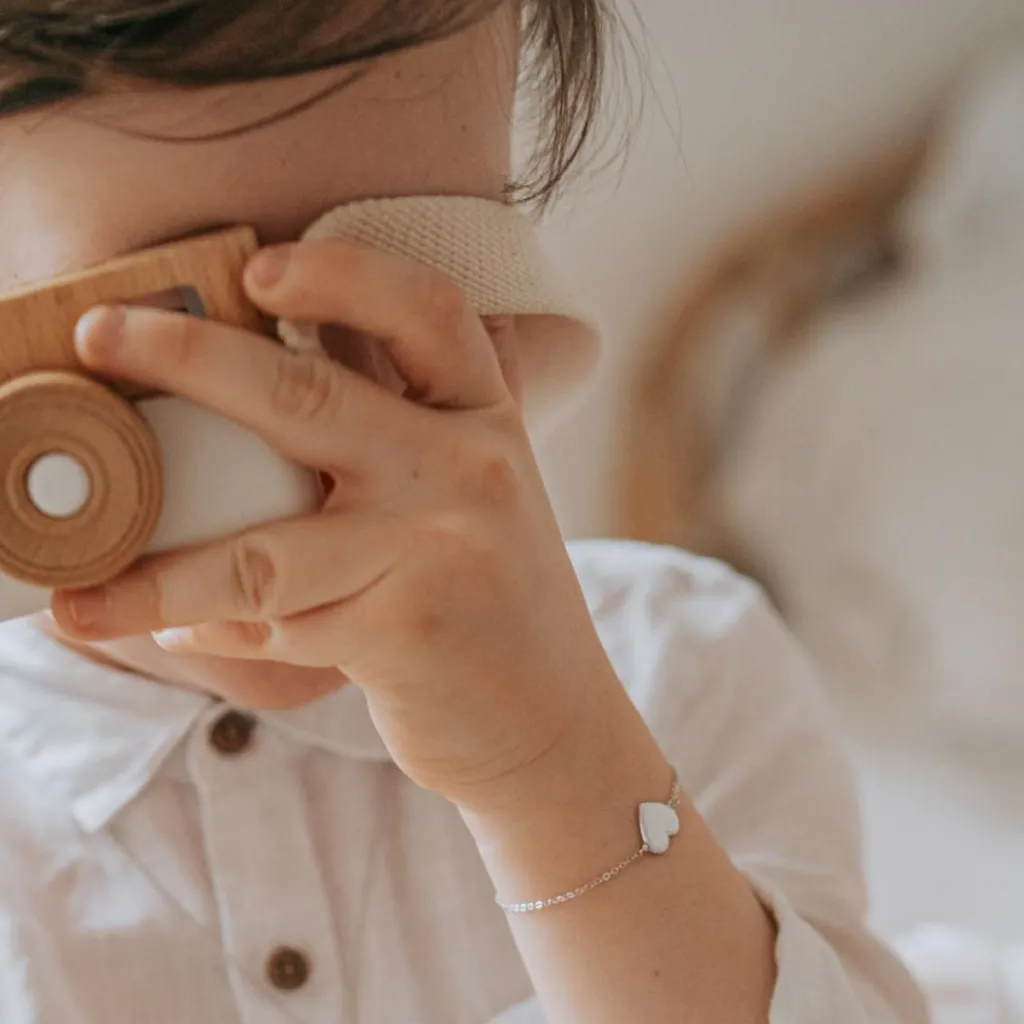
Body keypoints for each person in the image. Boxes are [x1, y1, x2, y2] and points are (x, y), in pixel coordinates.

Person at [0, 2, 927, 1022]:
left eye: (427, 273)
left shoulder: (683, 669)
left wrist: (554, 766)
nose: (335, 427)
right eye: (190, 323)